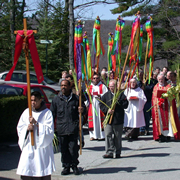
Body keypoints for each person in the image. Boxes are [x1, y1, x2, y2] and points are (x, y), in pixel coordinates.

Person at [16, 91, 55, 180]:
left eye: (35, 100)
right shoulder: (26, 112)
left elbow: (49, 130)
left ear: (40, 100)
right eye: (31, 100)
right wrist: (27, 128)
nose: (32, 102)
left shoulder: (47, 113)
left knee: (40, 169)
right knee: (26, 168)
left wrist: (36, 124)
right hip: (29, 145)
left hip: (41, 148)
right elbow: (20, 127)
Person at [50, 80, 85, 175]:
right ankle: (66, 166)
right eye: (61, 85)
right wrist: (51, 128)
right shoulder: (56, 100)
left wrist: (82, 110)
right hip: (61, 129)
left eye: (65, 85)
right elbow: (52, 115)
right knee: (64, 150)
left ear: (70, 86)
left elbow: (84, 110)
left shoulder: (76, 99)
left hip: (73, 128)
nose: (63, 87)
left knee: (73, 149)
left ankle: (74, 165)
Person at [100, 80, 128, 158]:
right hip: (108, 119)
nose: (111, 88)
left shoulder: (121, 95)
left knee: (117, 136)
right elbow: (101, 105)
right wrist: (107, 110)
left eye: (113, 86)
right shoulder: (106, 95)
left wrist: (119, 101)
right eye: (110, 86)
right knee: (108, 134)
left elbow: (126, 105)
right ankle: (109, 151)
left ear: (116, 86)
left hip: (117, 119)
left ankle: (118, 151)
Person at [151, 74, 180, 142]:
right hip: (159, 107)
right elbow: (154, 97)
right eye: (159, 79)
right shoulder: (155, 87)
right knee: (160, 122)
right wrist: (158, 101)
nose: (161, 80)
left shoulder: (168, 86)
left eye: (162, 79)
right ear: (157, 80)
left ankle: (168, 135)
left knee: (168, 121)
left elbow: (172, 96)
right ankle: (161, 135)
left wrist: (167, 97)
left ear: (164, 79)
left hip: (167, 107)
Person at [87, 73, 108, 141]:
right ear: (92, 79)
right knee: (92, 120)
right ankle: (92, 135)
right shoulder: (89, 87)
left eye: (97, 78)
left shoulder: (103, 86)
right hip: (92, 105)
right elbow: (86, 97)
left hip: (100, 105)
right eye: (94, 78)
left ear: (99, 79)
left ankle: (102, 135)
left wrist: (100, 96)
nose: (95, 80)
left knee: (100, 120)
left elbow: (106, 95)